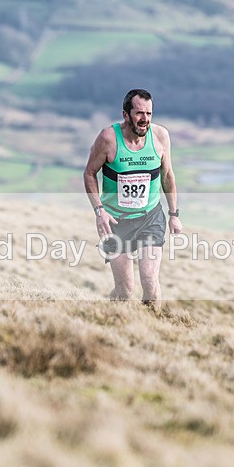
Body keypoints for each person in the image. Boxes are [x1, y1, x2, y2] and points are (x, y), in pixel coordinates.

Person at [83, 88, 182, 309]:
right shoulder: (108, 139)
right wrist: (99, 211)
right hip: (116, 222)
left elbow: (167, 175)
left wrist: (173, 214)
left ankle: (152, 326)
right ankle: (111, 318)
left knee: (150, 281)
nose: (144, 119)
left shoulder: (160, 136)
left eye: (148, 113)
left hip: (150, 218)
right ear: (126, 115)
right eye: (139, 113)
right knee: (125, 290)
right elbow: (89, 173)